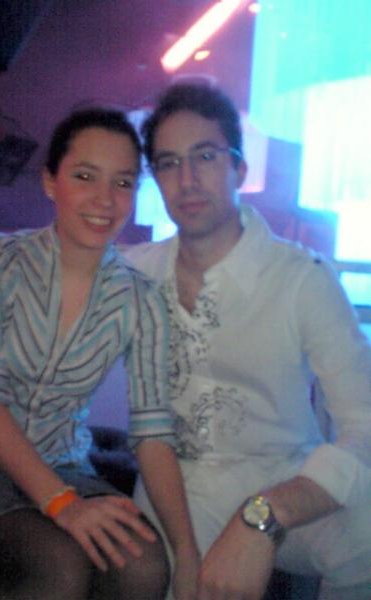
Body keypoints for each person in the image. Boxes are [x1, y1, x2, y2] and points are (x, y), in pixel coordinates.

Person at [0, 106, 199, 600]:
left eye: (123, 183)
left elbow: (153, 433)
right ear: (51, 181)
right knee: (58, 568)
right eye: (85, 176)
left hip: (65, 463)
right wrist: (63, 506)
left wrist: (187, 552)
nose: (105, 199)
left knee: (143, 561)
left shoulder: (140, 298)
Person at [123, 82, 371, 600]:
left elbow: (364, 423)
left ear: (238, 169)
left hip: (284, 478)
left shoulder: (300, 279)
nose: (187, 179)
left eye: (205, 156)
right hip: (174, 488)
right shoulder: (133, 274)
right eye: (169, 163)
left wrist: (269, 511)